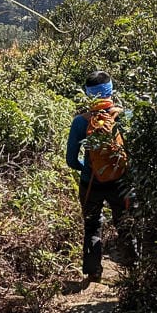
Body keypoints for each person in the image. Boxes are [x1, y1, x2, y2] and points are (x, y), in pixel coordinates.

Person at [65, 70, 137, 283]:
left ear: (89, 94)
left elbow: (71, 160)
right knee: (125, 223)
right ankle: (133, 269)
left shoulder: (80, 122)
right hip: (121, 182)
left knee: (92, 225)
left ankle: (93, 271)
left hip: (91, 184)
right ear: (111, 90)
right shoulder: (126, 115)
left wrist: (89, 169)